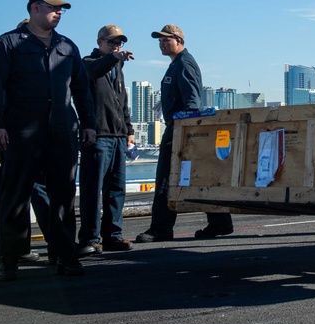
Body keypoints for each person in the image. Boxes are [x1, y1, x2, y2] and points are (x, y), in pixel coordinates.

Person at [0, 0, 96, 281]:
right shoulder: (8, 44)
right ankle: (9, 258)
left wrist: (89, 124)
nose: (59, 12)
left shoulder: (68, 47)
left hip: (62, 131)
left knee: (63, 196)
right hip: (21, 131)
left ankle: (65, 255)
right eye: (53, 7)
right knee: (15, 195)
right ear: (34, 8)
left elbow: (82, 90)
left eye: (62, 8)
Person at [135, 24, 234, 243]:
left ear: (179, 41)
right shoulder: (176, 64)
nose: (161, 44)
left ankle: (161, 229)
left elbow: (191, 103)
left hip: (180, 129)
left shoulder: (184, 64)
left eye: (166, 40)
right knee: (198, 177)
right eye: (159, 41)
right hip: (179, 127)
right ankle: (220, 222)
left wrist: (184, 133)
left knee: (165, 179)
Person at [77, 25, 137, 257]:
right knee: (93, 190)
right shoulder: (87, 62)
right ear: (100, 42)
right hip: (98, 136)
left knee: (116, 189)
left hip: (119, 137)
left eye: (119, 43)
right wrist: (113, 58)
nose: (116, 45)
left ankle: (113, 235)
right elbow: (94, 71)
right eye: (112, 42)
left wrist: (129, 130)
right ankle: (90, 238)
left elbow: (123, 101)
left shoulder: (118, 68)